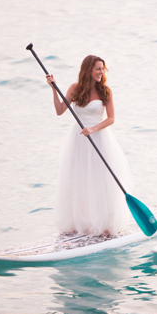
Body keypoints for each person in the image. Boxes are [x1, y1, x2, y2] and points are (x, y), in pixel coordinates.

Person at [46, 55, 134, 235]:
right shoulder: (74, 88)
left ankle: (105, 225)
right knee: (78, 180)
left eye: (102, 69)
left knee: (101, 180)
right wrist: (54, 89)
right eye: (98, 69)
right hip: (79, 140)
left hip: (99, 138)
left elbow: (111, 119)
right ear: (88, 70)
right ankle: (78, 224)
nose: (101, 72)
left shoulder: (105, 91)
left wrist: (93, 129)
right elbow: (60, 111)